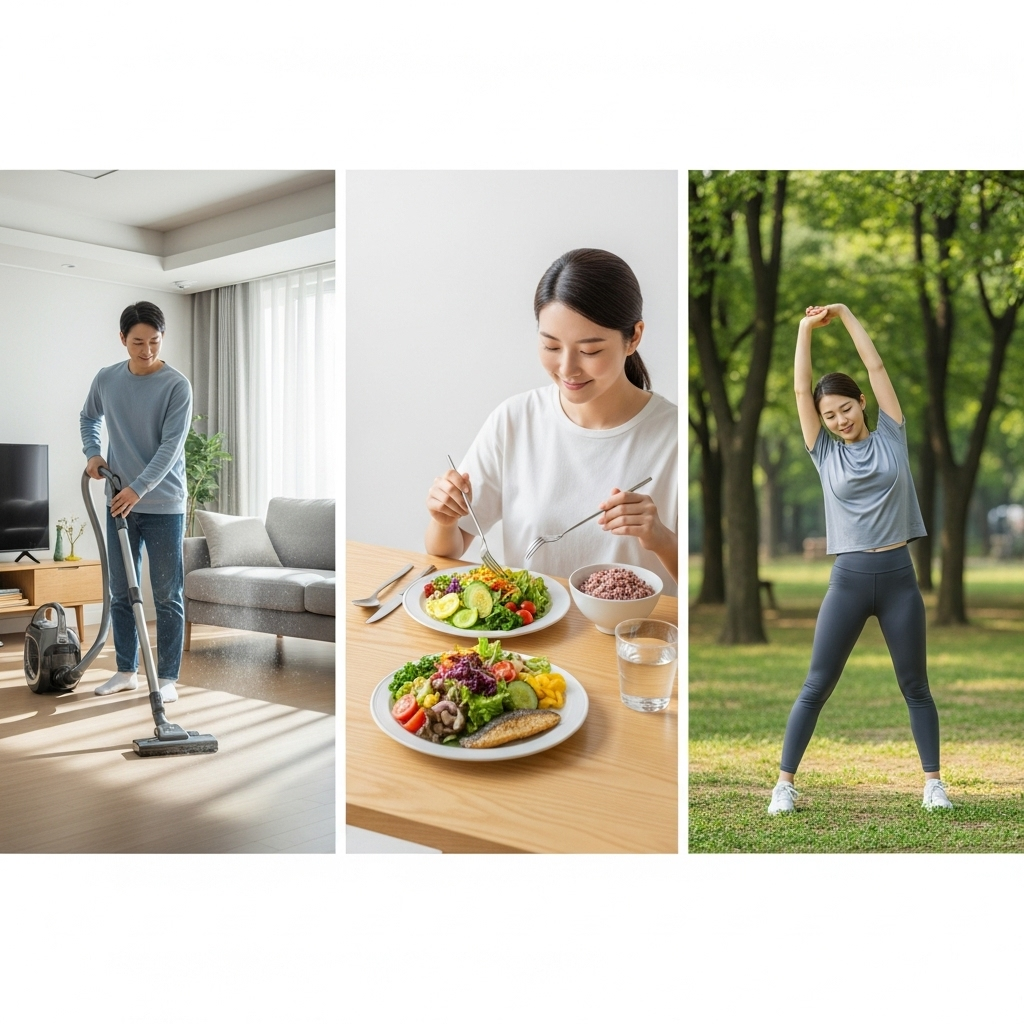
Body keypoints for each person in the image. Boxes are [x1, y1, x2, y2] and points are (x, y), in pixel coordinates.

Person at [768, 303, 951, 814]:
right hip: (849, 579)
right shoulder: (823, 452)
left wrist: (845, 314)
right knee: (816, 684)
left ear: (861, 402)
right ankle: (784, 784)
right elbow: (801, 389)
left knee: (916, 686)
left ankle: (933, 783)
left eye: (845, 408)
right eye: (829, 415)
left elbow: (876, 366)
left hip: (898, 579)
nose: (838, 419)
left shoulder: (892, 433)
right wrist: (804, 328)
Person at [424, 248, 678, 592]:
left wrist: (661, 538)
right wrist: (444, 518)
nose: (567, 368)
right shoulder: (514, 421)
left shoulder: (673, 437)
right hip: (530, 635)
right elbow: (447, 550)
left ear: (633, 337)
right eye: (551, 346)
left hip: (630, 640)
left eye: (590, 351)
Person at [80, 301, 192, 701]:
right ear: (123, 339)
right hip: (118, 503)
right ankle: (126, 671)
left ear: (163, 338)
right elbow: (88, 417)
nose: (146, 351)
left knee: (166, 594)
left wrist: (137, 488)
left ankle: (167, 679)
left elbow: (170, 447)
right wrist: (93, 453)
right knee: (122, 591)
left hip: (162, 505)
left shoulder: (176, 385)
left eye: (155, 342)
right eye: (138, 342)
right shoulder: (107, 379)